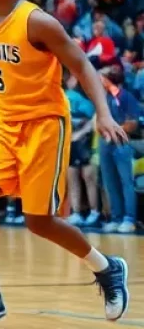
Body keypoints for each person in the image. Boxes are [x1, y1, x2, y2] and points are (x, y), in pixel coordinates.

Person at [0, 0, 130, 325]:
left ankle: (106, 267)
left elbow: (82, 65)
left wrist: (103, 112)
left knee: (39, 221)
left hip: (45, 122)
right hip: (4, 121)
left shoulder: (38, 21)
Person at [97, 67, 139, 234]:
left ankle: (129, 219)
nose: (100, 80)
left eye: (102, 77)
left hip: (121, 143)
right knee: (110, 182)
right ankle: (116, 218)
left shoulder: (126, 97)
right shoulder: (103, 98)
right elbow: (98, 121)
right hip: (104, 143)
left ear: (111, 79)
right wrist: (103, 131)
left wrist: (113, 131)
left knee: (126, 182)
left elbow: (133, 123)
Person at [65, 73, 99, 228]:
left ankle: (94, 212)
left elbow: (91, 122)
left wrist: (80, 133)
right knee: (72, 178)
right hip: (70, 143)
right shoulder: (62, 96)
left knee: (88, 178)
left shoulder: (87, 99)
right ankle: (76, 212)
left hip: (85, 143)